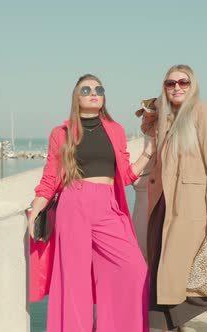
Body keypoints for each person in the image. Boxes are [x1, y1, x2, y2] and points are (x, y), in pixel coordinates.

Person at [28, 74, 154, 331]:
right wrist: (37, 207)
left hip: (108, 206)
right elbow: (50, 177)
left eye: (99, 89)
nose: (93, 92)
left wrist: (149, 151)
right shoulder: (61, 133)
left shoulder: (115, 130)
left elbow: (126, 176)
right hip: (73, 204)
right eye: (86, 89)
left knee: (134, 269)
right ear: (76, 96)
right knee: (74, 283)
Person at [145, 65, 207, 332]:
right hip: (164, 203)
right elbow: (147, 121)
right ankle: (174, 325)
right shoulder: (169, 117)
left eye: (183, 82)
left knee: (183, 273)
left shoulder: (204, 112)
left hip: (191, 205)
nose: (177, 88)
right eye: (170, 84)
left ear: (193, 84)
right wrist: (157, 106)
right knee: (163, 270)